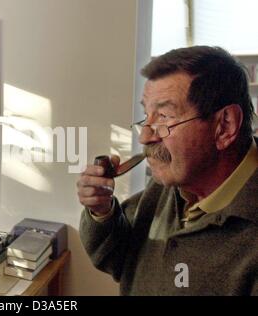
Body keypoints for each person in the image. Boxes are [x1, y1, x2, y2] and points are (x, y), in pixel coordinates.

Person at [77, 46, 257, 296]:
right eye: (146, 115)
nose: (145, 136)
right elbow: (119, 259)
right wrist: (102, 212)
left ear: (224, 126)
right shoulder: (171, 180)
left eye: (164, 116)